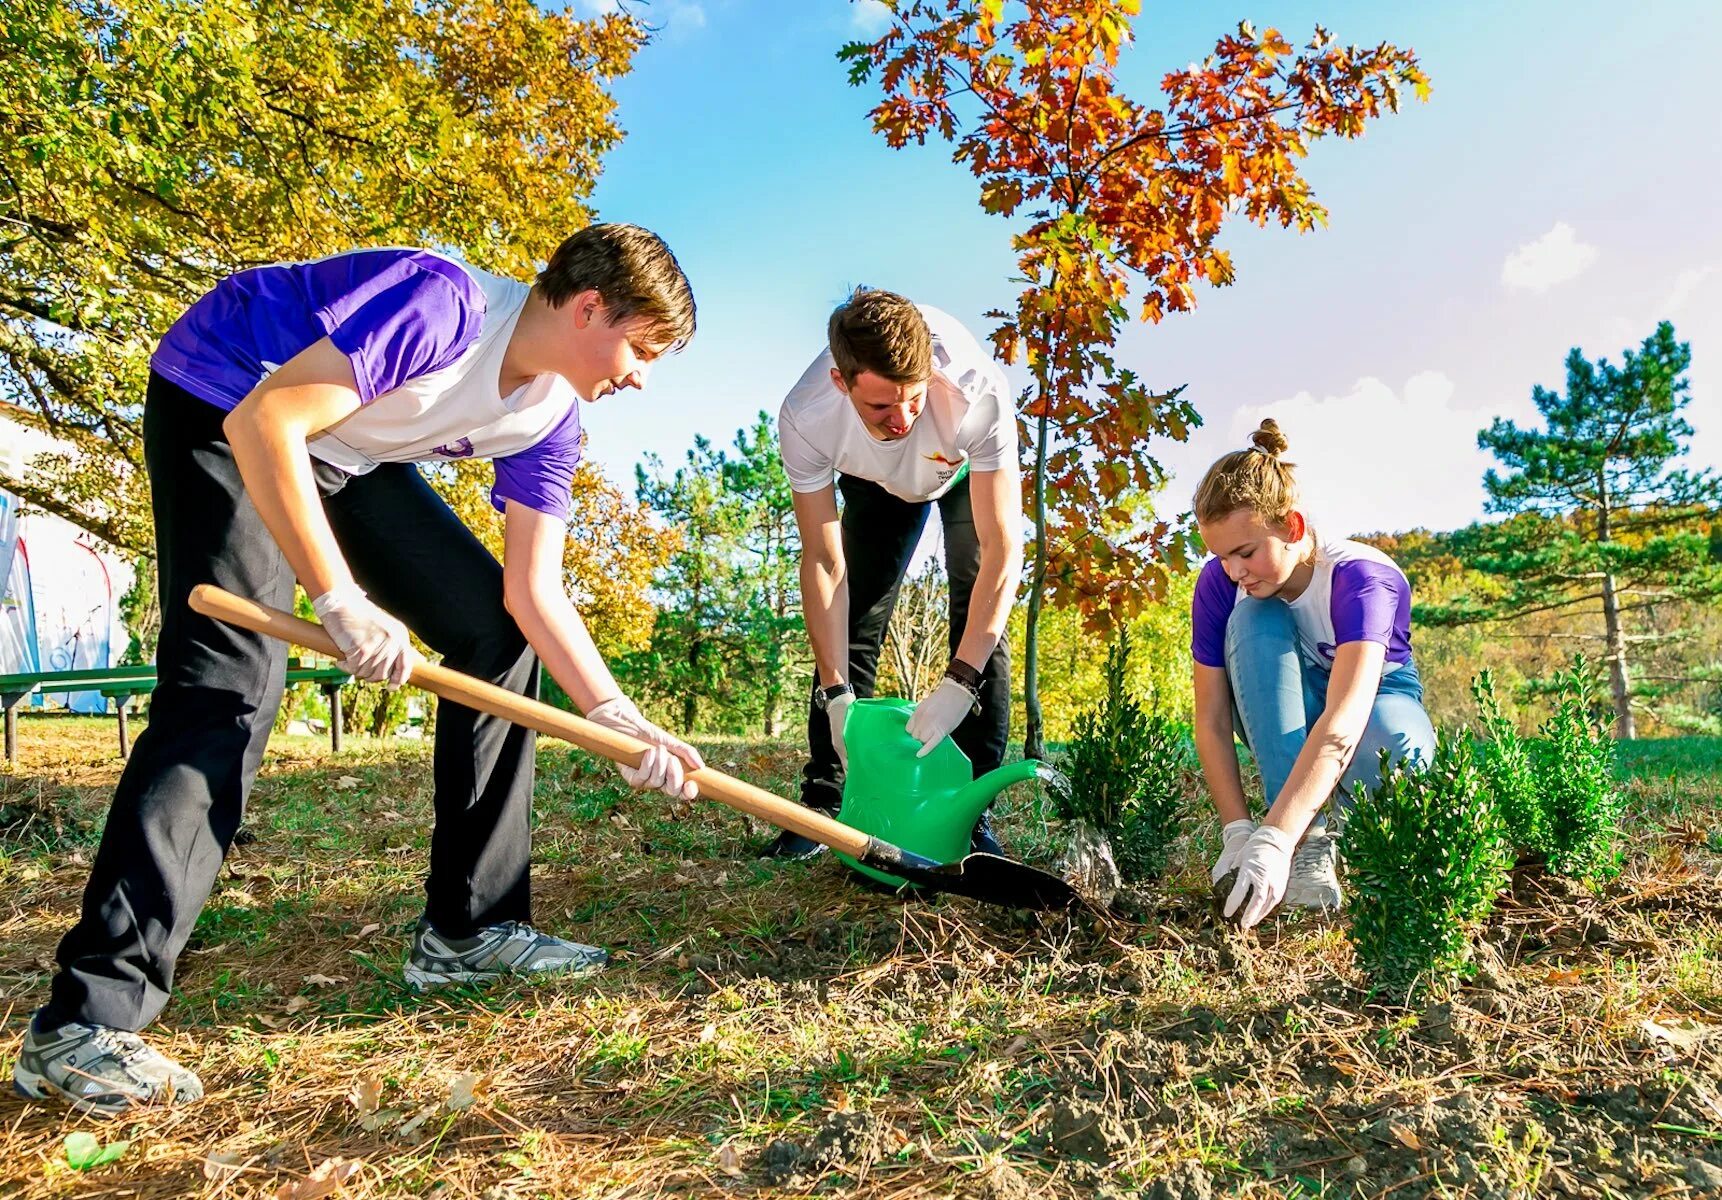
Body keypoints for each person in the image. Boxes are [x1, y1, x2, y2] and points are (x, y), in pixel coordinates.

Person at [14, 225, 707, 1116]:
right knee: (229, 691)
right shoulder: (441, 305)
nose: (642, 374)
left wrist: (614, 714)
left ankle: (471, 928)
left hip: (343, 449)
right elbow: (265, 419)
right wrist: (337, 597)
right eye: (642, 348)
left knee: (497, 636)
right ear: (587, 308)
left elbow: (535, 594)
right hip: (226, 396)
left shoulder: (551, 417)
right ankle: (83, 1022)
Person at [761, 288, 1023, 861]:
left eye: (913, 399)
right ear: (842, 383)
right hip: (876, 483)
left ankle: (971, 812)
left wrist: (961, 681)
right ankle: (828, 804)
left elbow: (1005, 551)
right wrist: (835, 693)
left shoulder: (974, 394)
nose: (902, 420)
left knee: (979, 608)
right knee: (855, 610)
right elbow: (824, 563)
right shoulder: (807, 418)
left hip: (959, 480)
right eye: (880, 407)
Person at [1190, 419, 1436, 928]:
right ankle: (1312, 836)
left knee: (1397, 748)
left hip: (1372, 707)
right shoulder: (1221, 583)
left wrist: (1275, 836)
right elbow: (1212, 718)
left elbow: (1343, 722)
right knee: (1255, 616)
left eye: (1246, 552)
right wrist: (1238, 829)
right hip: (1281, 698)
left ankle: (1307, 827)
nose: (1234, 571)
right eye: (1220, 556)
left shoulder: (1362, 579)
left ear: (1293, 528)